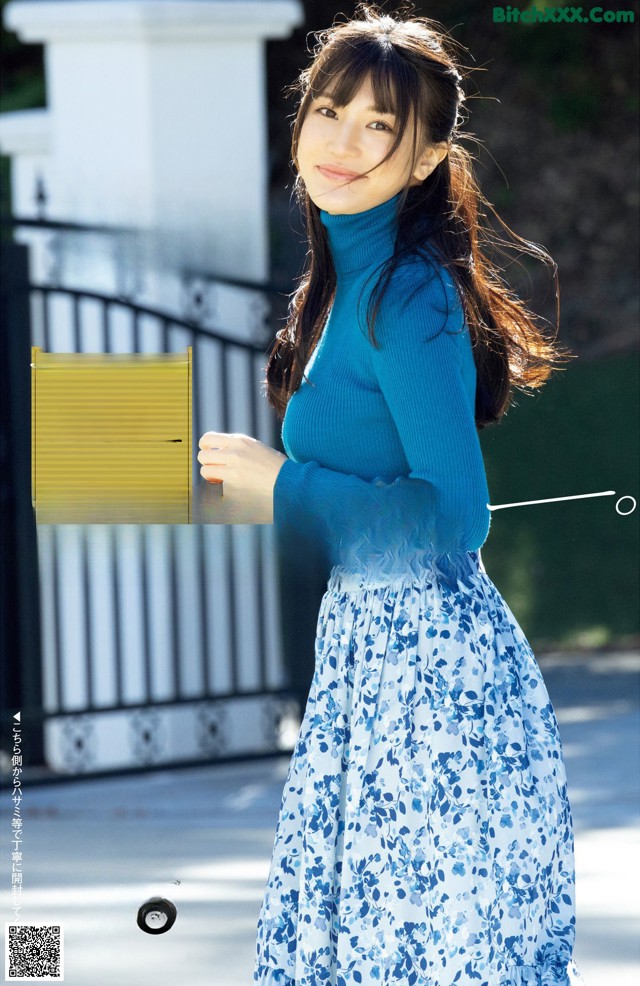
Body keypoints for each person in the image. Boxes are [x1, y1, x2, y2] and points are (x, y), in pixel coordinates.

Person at [198, 5, 585, 984]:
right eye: (328, 110)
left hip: (432, 683)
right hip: (368, 660)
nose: (342, 141)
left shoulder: (405, 291)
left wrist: (285, 481)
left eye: (378, 125)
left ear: (423, 159)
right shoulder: (334, 284)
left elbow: (455, 513)